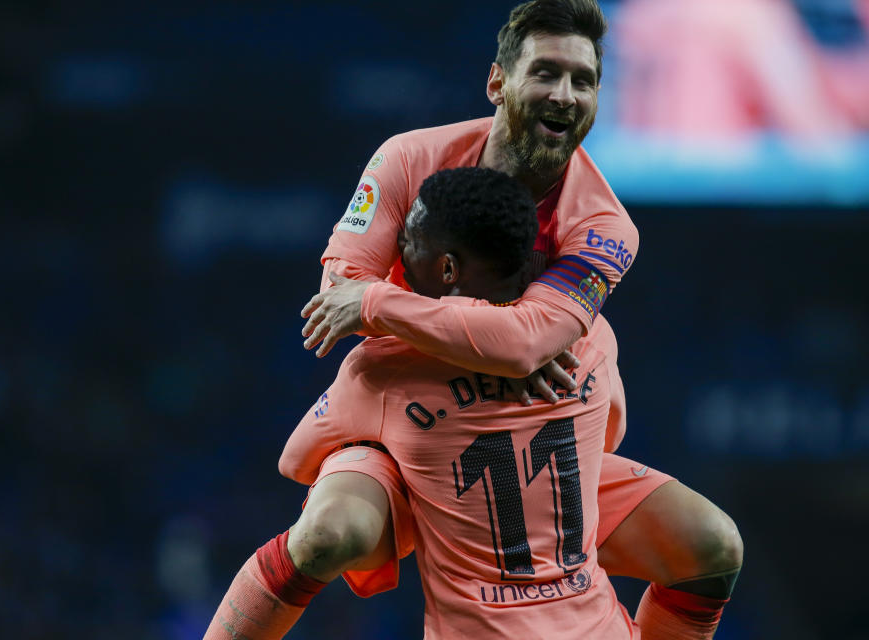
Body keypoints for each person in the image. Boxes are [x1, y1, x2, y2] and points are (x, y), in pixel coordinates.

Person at [295, 1, 741, 639]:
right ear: (497, 82)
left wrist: (389, 308)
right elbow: (337, 295)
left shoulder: (605, 226)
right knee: (328, 536)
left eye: (583, 80)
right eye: (546, 73)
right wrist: (499, 343)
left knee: (712, 544)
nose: (564, 95)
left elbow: (523, 344)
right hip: (406, 432)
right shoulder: (407, 160)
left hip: (524, 436)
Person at [205, 166, 640, 638]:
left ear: (447, 268)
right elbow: (609, 435)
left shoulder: (390, 363)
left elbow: (295, 461)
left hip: (478, 629)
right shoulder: (591, 338)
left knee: (324, 533)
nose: (398, 253)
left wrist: (401, 460)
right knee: (712, 546)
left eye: (408, 240)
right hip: (597, 622)